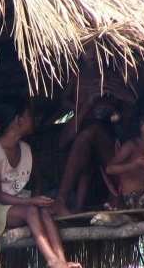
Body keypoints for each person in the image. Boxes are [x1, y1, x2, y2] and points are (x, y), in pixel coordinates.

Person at [0, 95, 83, 268]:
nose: (33, 119)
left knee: (43, 211)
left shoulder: (25, 149)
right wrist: (32, 201)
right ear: (18, 120)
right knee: (32, 210)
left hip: (22, 203)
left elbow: (37, 181)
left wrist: (37, 200)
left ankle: (60, 260)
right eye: (29, 115)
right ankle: (52, 262)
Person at [51, 44, 139, 217]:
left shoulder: (110, 74)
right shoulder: (77, 75)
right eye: (85, 50)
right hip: (84, 122)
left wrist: (110, 105)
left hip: (106, 129)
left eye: (94, 50)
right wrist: (84, 106)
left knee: (88, 136)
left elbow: (120, 102)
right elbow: (65, 101)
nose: (90, 54)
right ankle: (75, 205)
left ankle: (64, 200)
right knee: (84, 149)